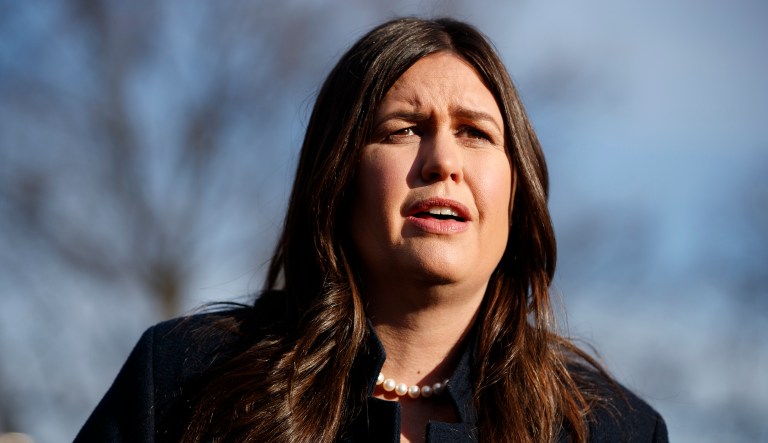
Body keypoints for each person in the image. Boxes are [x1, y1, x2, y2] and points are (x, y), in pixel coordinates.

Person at [75, 17, 667, 443]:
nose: (443, 162)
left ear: (518, 191)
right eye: (403, 129)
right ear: (338, 177)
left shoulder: (611, 430)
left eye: (476, 133)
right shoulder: (184, 379)